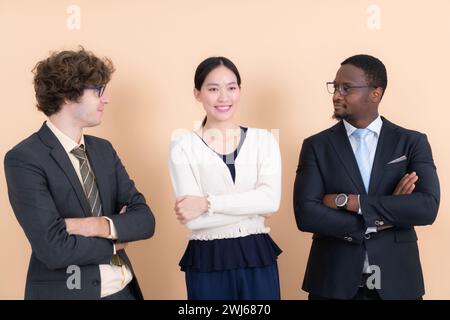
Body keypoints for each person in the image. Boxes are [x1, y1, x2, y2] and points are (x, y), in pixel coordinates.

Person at [4, 48, 155, 300]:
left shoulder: (104, 150)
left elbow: (145, 220)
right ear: (67, 94)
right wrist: (115, 240)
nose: (106, 100)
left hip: (125, 292)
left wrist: (95, 225)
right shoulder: (24, 159)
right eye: (98, 91)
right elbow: (53, 249)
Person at [293, 54, 440, 300]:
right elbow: (306, 214)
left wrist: (350, 202)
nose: (336, 95)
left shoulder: (412, 142)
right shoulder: (316, 146)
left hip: (398, 284)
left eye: (346, 88)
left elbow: (426, 207)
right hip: (332, 284)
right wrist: (385, 216)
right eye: (335, 87)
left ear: (376, 93)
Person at [168, 57, 282, 300]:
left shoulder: (264, 141)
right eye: (213, 89)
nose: (223, 98)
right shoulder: (183, 146)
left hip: (257, 254)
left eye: (231, 88)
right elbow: (193, 220)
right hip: (208, 257)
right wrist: (254, 206)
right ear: (197, 94)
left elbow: (271, 202)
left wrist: (206, 204)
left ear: (240, 91)